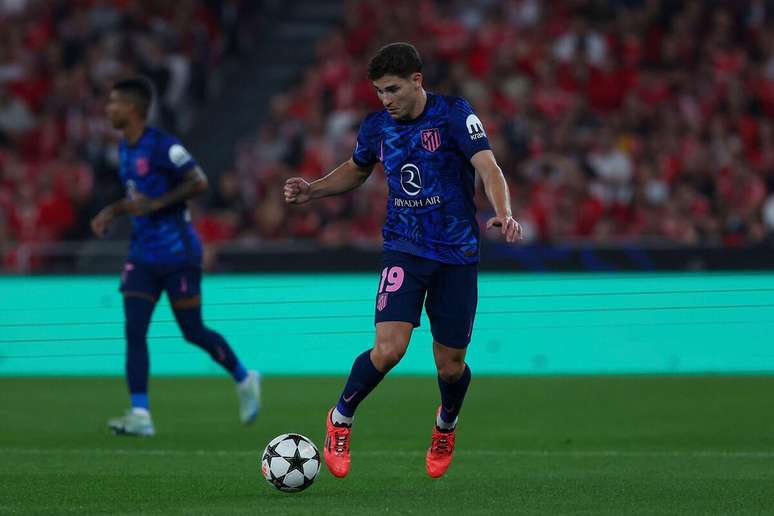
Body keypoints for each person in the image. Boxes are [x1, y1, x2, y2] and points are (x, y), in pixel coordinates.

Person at [283, 43, 521, 478]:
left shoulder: (453, 114)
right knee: (389, 350)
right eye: (378, 92)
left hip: (457, 255)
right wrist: (312, 189)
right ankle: (339, 420)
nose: (385, 100)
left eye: (392, 89)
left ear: (416, 80)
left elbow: (488, 167)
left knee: (450, 367)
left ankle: (445, 425)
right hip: (404, 248)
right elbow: (356, 171)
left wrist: (503, 213)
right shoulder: (376, 127)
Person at [91, 77, 260, 436]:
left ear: (133, 109)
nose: (108, 109)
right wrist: (113, 211)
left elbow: (199, 181)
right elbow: (139, 197)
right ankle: (141, 414)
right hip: (141, 254)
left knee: (192, 330)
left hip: (178, 253)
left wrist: (159, 203)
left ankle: (244, 378)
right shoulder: (125, 147)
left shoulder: (164, 147)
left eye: (114, 103)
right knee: (134, 330)